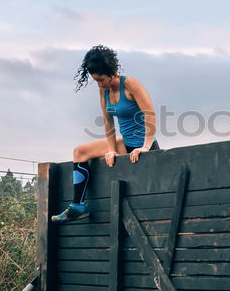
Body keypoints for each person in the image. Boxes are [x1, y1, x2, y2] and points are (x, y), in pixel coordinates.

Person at [51, 45, 158, 223]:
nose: (100, 84)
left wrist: (145, 147)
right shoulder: (103, 90)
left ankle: (141, 147)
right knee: (80, 152)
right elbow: (108, 121)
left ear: (110, 72)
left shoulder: (130, 84)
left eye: (101, 79)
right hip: (125, 143)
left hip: (144, 144)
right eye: (96, 81)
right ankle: (78, 206)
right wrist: (110, 150)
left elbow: (150, 114)